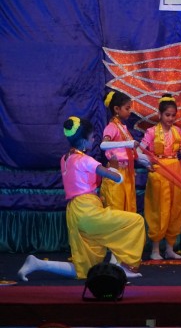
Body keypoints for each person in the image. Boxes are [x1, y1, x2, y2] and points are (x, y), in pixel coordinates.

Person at [18, 116, 145, 281]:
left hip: (74, 211)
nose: (93, 140)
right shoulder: (86, 160)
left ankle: (38, 264)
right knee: (135, 222)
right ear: (84, 141)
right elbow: (115, 177)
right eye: (91, 137)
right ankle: (124, 266)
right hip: (87, 210)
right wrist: (115, 170)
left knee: (86, 269)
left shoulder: (65, 159)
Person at [140, 94, 181, 260]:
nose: (170, 118)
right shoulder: (151, 132)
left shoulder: (177, 131)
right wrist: (148, 164)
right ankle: (155, 250)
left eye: (173, 115)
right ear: (160, 114)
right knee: (159, 210)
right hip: (159, 172)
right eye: (167, 115)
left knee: (175, 209)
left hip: (175, 172)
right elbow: (138, 152)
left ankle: (170, 248)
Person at [99, 90, 149, 213]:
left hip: (127, 172)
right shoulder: (111, 127)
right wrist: (128, 143)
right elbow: (103, 145)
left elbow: (130, 154)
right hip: (116, 171)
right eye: (127, 108)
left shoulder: (123, 128)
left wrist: (148, 162)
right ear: (117, 109)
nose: (130, 111)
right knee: (117, 207)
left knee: (128, 207)